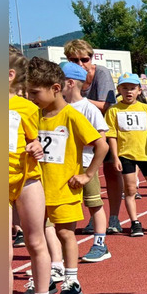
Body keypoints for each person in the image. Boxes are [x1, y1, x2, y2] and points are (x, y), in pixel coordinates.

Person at [25, 58, 108, 294]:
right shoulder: (34, 115)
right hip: (35, 188)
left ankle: (72, 280)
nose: (31, 97)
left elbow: (101, 146)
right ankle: (46, 278)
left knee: (65, 234)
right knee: (36, 236)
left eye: (35, 92)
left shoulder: (71, 116)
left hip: (63, 187)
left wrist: (87, 174)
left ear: (56, 88)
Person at [9, 46, 52, 294]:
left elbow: (36, 141)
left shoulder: (26, 109)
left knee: (35, 241)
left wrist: (36, 146)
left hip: (27, 181)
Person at [64, 39, 123, 235]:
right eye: (74, 60)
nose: (80, 64)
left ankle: (113, 217)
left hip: (102, 130)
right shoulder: (66, 75)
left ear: (92, 58)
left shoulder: (102, 73)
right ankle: (91, 219)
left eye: (84, 59)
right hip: (76, 135)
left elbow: (107, 105)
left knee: (111, 171)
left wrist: (80, 101)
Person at [59, 63, 113, 263]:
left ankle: (100, 244)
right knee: (62, 207)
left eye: (58, 81)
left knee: (94, 204)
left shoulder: (89, 109)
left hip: (84, 164)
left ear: (70, 83)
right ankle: (60, 253)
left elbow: (102, 140)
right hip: (61, 167)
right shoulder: (55, 108)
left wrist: (90, 172)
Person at [104, 74, 147, 236]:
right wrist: (115, 157)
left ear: (139, 90)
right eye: (124, 88)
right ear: (119, 90)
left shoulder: (145, 109)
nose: (128, 91)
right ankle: (135, 222)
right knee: (130, 190)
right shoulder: (113, 111)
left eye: (132, 88)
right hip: (125, 155)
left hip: (145, 156)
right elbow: (111, 136)